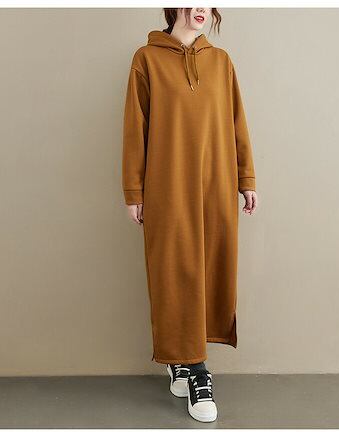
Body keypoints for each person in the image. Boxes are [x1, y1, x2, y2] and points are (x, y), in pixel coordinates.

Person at [122, 7, 257, 423]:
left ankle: (183, 360)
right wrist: (133, 189)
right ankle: (197, 369)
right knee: (175, 270)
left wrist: (246, 178)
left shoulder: (221, 62)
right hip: (168, 185)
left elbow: (237, 122)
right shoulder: (146, 59)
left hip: (216, 183)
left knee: (212, 268)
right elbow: (135, 128)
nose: (200, 8)